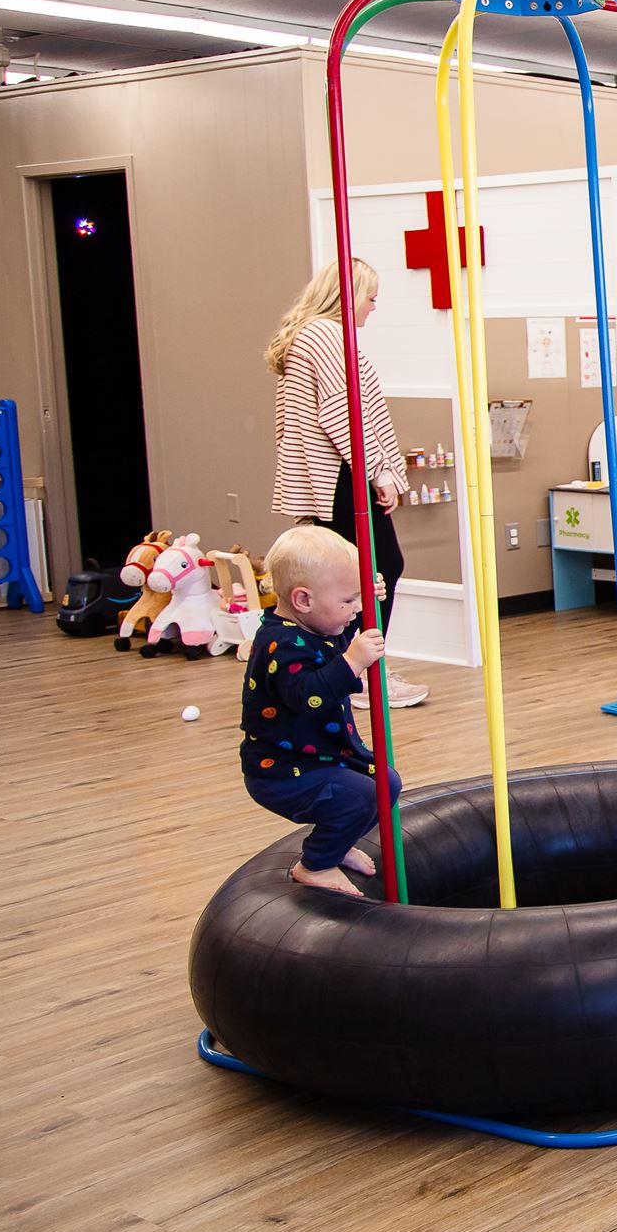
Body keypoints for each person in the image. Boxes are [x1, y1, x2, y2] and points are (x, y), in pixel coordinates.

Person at [268, 256, 426, 708]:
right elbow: (342, 412)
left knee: (363, 572)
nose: (374, 307)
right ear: (349, 295)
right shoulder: (327, 335)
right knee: (378, 570)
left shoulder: (313, 334)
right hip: (340, 477)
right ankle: (362, 672)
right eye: (371, 297)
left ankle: (354, 668)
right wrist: (378, 470)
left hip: (333, 475)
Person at [241, 525, 401, 897]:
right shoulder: (279, 643)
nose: (355, 610)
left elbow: (338, 635)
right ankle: (315, 864)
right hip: (282, 770)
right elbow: (308, 696)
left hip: (322, 755)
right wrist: (352, 662)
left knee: (386, 785)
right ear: (303, 600)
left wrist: (366, 601)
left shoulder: (315, 624)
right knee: (358, 796)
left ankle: (336, 844)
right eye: (348, 601)